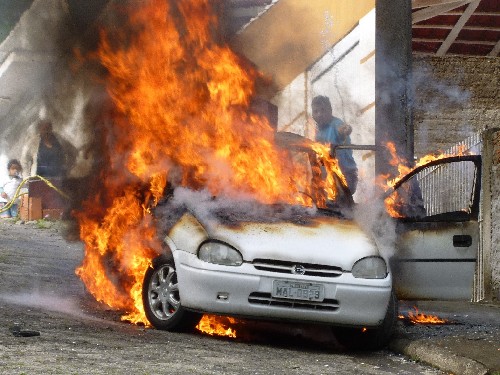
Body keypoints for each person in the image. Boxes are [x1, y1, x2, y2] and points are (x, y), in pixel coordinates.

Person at [311, 95, 358, 194]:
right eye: (316, 111)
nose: (319, 114)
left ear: (330, 110)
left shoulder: (336, 123)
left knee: (340, 205)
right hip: (328, 174)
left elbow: (342, 128)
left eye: (323, 110)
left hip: (345, 175)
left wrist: (346, 129)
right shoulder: (317, 130)